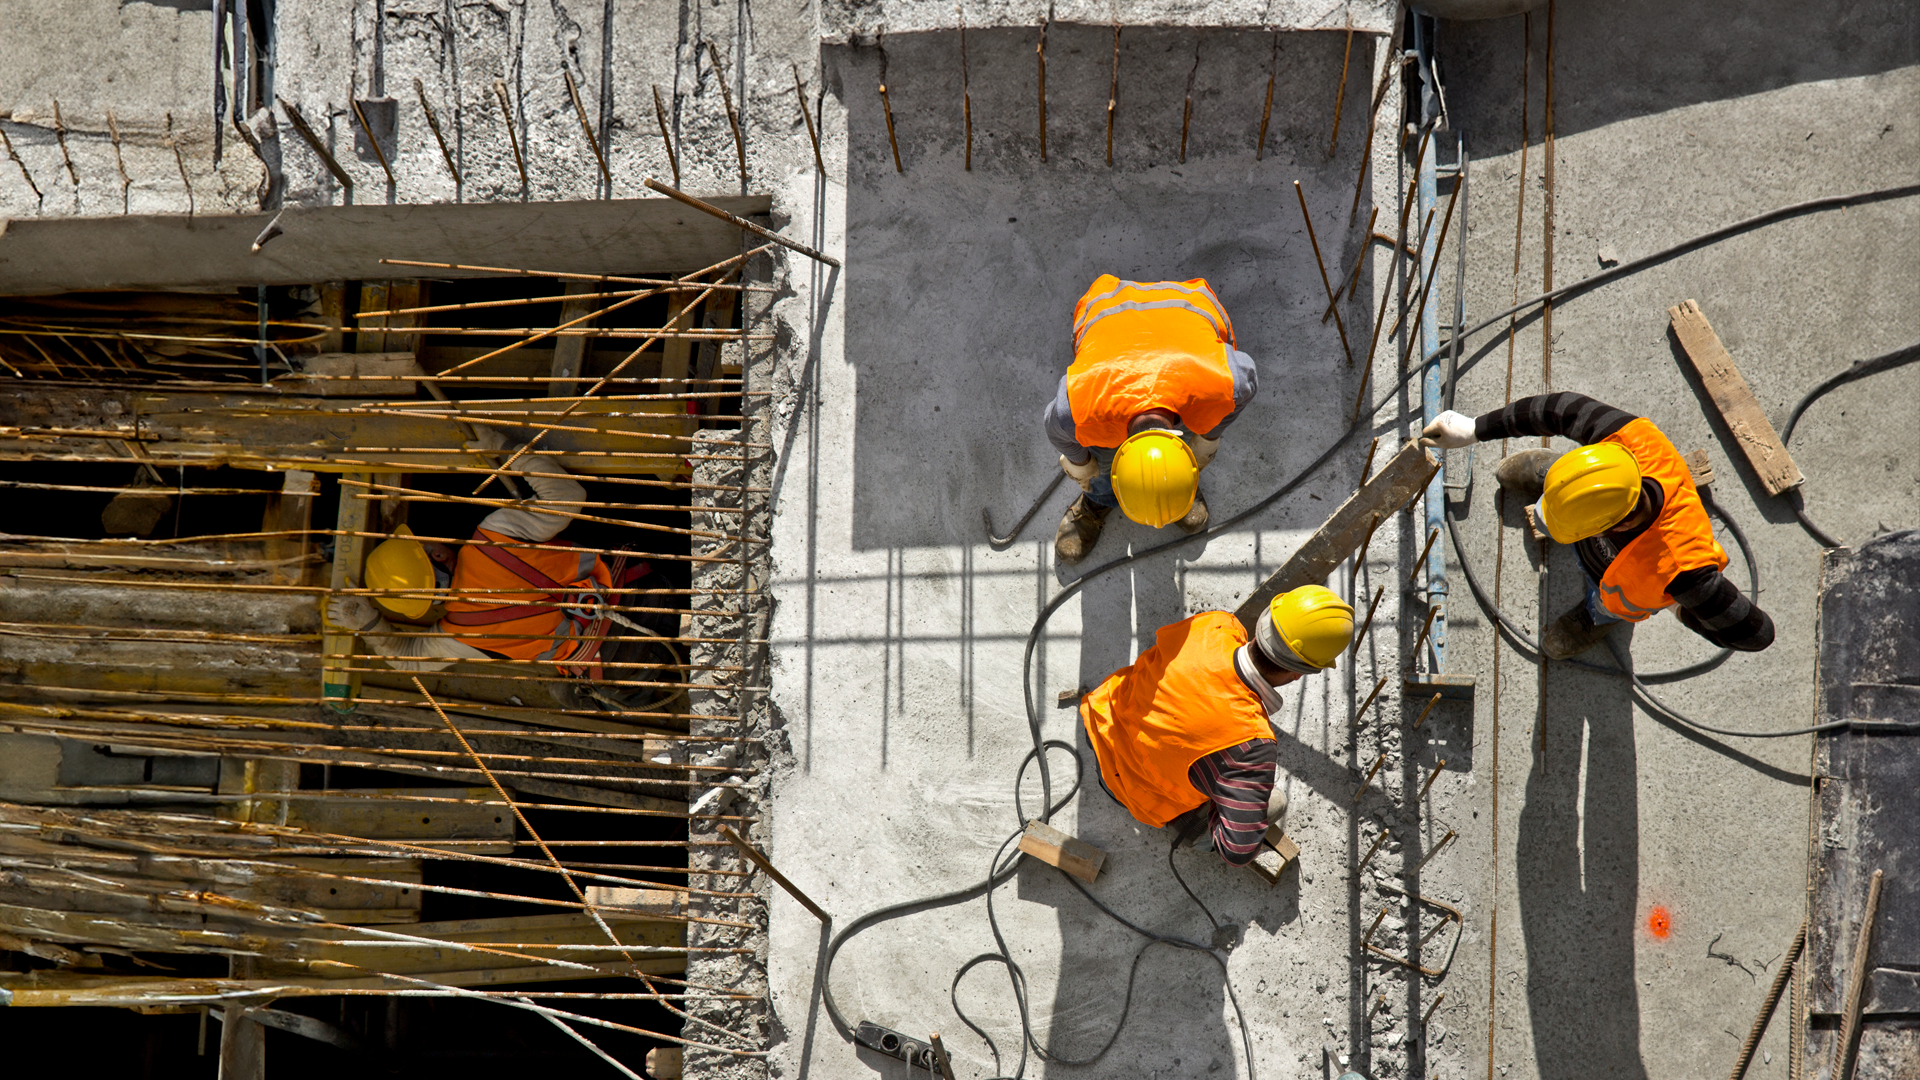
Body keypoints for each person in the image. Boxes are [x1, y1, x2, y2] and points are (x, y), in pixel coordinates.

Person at [1420, 391, 1774, 659]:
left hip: (1616, 588)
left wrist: (1677, 606)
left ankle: (1597, 617)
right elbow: (1558, 409)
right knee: (1569, 484)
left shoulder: (1684, 570)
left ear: (1608, 528)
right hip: (1594, 484)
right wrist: (1474, 429)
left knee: (1606, 603)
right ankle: (1559, 478)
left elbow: (1756, 634)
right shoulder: (1632, 439)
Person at [1080, 586, 1354, 866]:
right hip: (1130, 789)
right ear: (1299, 673)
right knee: (1275, 802)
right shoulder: (1251, 746)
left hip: (1102, 720)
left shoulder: (1215, 625)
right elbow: (1238, 850)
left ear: (1264, 620)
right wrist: (1225, 785)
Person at [325, 427, 617, 674]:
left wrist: (369, 624)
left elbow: (406, 659)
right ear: (438, 556)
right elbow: (567, 496)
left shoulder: (460, 636)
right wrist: (504, 449)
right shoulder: (494, 536)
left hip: (610, 659)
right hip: (633, 593)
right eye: (424, 544)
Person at [1044, 275, 1259, 564]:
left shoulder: (1221, 384)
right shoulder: (1080, 410)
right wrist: (1082, 466)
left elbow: (1246, 379)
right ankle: (1099, 498)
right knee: (1099, 457)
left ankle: (1171, 486)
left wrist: (1209, 438)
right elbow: (1056, 428)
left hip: (1191, 302)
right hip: (1106, 306)